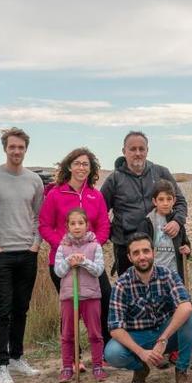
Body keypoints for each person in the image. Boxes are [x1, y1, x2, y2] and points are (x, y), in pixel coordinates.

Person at [0, 127, 44, 383]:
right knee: (2, 310)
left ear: (26, 149)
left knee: (21, 308)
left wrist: (36, 244)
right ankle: (1, 364)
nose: (16, 151)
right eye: (12, 147)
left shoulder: (34, 180)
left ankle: (17, 356)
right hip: (1, 254)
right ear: (5, 148)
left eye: (20, 147)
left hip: (26, 253)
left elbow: (40, 215)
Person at [104, 233, 192, 383]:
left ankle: (182, 369)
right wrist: (141, 353)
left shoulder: (167, 274)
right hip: (139, 337)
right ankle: (140, 368)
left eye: (146, 251)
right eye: (136, 253)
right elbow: (115, 328)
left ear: (153, 252)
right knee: (112, 353)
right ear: (129, 257)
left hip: (166, 333)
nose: (142, 256)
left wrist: (163, 339)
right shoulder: (121, 284)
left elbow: (185, 306)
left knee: (191, 318)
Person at [38, 148, 112, 346]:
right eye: (77, 163)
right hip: (62, 261)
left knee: (103, 300)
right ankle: (71, 358)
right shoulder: (55, 194)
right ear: (69, 166)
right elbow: (44, 225)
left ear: (91, 168)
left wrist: (96, 244)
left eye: (85, 164)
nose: (81, 167)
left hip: (91, 262)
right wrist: (61, 244)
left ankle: (104, 350)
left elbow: (104, 224)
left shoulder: (95, 196)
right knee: (70, 309)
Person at [101, 131, 187, 277]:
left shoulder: (161, 172)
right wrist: (114, 234)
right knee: (131, 292)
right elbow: (100, 210)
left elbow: (180, 201)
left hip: (159, 245)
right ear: (124, 151)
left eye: (142, 149)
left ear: (147, 150)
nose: (138, 153)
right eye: (132, 149)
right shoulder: (114, 179)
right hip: (126, 246)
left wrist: (177, 222)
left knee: (163, 288)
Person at [53, 208, 107, 382]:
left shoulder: (95, 246)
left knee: (95, 333)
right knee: (67, 334)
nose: (77, 227)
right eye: (73, 223)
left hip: (90, 296)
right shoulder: (63, 247)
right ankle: (67, 367)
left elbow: (99, 270)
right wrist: (70, 261)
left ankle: (98, 365)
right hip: (69, 297)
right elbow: (58, 272)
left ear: (87, 225)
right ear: (67, 226)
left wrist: (83, 261)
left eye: (81, 223)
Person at [140, 179, 191, 282]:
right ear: (155, 201)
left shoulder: (177, 223)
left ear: (174, 201)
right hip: (154, 275)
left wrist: (187, 250)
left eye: (169, 199)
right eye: (161, 199)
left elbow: (185, 244)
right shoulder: (147, 222)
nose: (165, 203)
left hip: (175, 275)